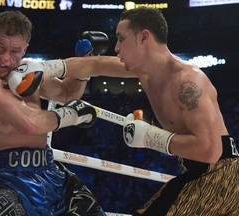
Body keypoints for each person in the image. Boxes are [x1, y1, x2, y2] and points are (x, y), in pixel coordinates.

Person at [64, 7, 239, 216]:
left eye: (121, 39)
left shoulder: (188, 82)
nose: (117, 47)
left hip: (220, 174)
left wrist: (149, 137)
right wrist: (46, 69)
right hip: (202, 171)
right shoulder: (145, 72)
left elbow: (211, 151)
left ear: (144, 37)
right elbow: (95, 64)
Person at [0, 10, 132, 216]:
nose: (5, 58)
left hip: (51, 173)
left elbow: (68, 93)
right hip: (4, 178)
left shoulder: (27, 71)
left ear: (25, 49)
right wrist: (72, 115)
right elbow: (29, 124)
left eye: (15, 51)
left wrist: (85, 64)